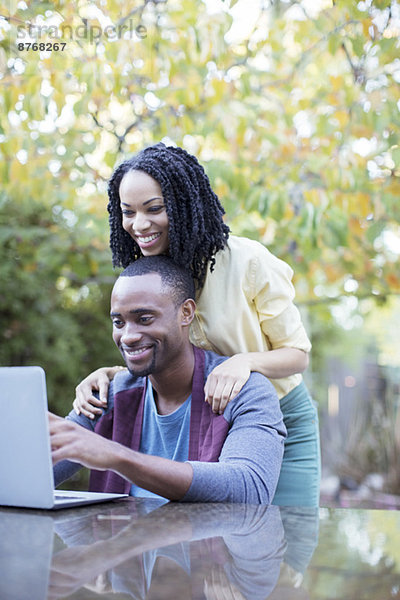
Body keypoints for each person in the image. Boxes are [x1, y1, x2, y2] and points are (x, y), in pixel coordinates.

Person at [72, 142, 320, 507]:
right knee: (215, 537)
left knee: (292, 541)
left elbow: (297, 355)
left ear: (183, 204)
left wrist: (245, 362)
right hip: (211, 416)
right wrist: (111, 374)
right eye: (128, 212)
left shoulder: (247, 262)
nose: (139, 225)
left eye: (154, 209)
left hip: (275, 410)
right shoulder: (154, 274)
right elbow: (169, 351)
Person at [50, 256, 286, 503]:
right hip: (124, 541)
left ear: (186, 313)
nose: (128, 336)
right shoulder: (108, 394)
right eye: (118, 322)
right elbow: (37, 473)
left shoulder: (246, 391)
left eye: (144, 319)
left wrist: (117, 456)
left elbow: (249, 488)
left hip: (207, 541)